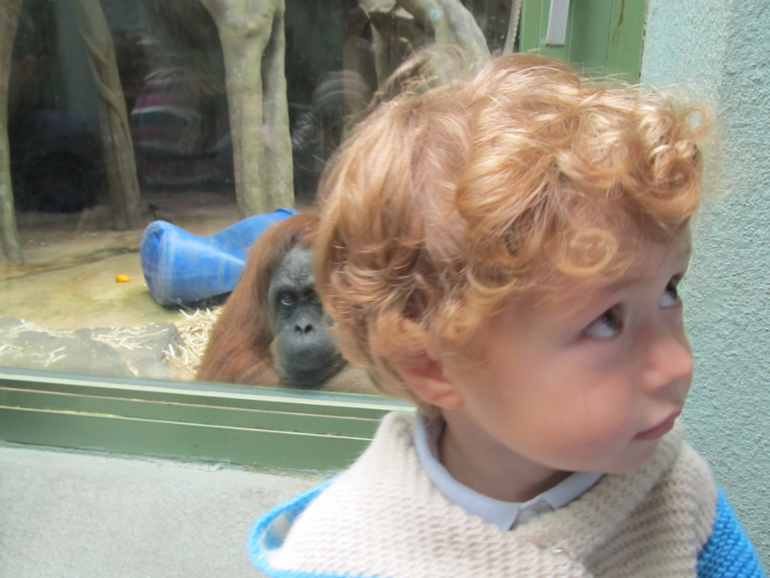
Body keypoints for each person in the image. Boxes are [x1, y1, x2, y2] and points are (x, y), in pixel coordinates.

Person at [247, 54, 766, 578]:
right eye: (606, 319)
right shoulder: (343, 557)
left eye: (669, 290)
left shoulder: (675, 491)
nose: (677, 363)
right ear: (431, 362)